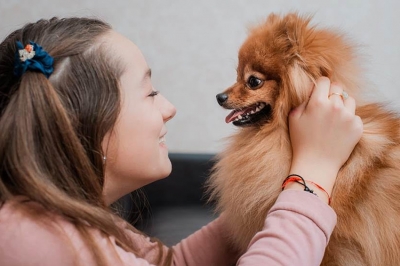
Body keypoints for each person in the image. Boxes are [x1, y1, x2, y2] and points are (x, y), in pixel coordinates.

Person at [0, 17, 363, 266]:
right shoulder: (30, 236)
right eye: (150, 92)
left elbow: (175, 264)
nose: (169, 108)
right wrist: (312, 175)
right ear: (90, 124)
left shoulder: (70, 224)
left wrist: (267, 196)